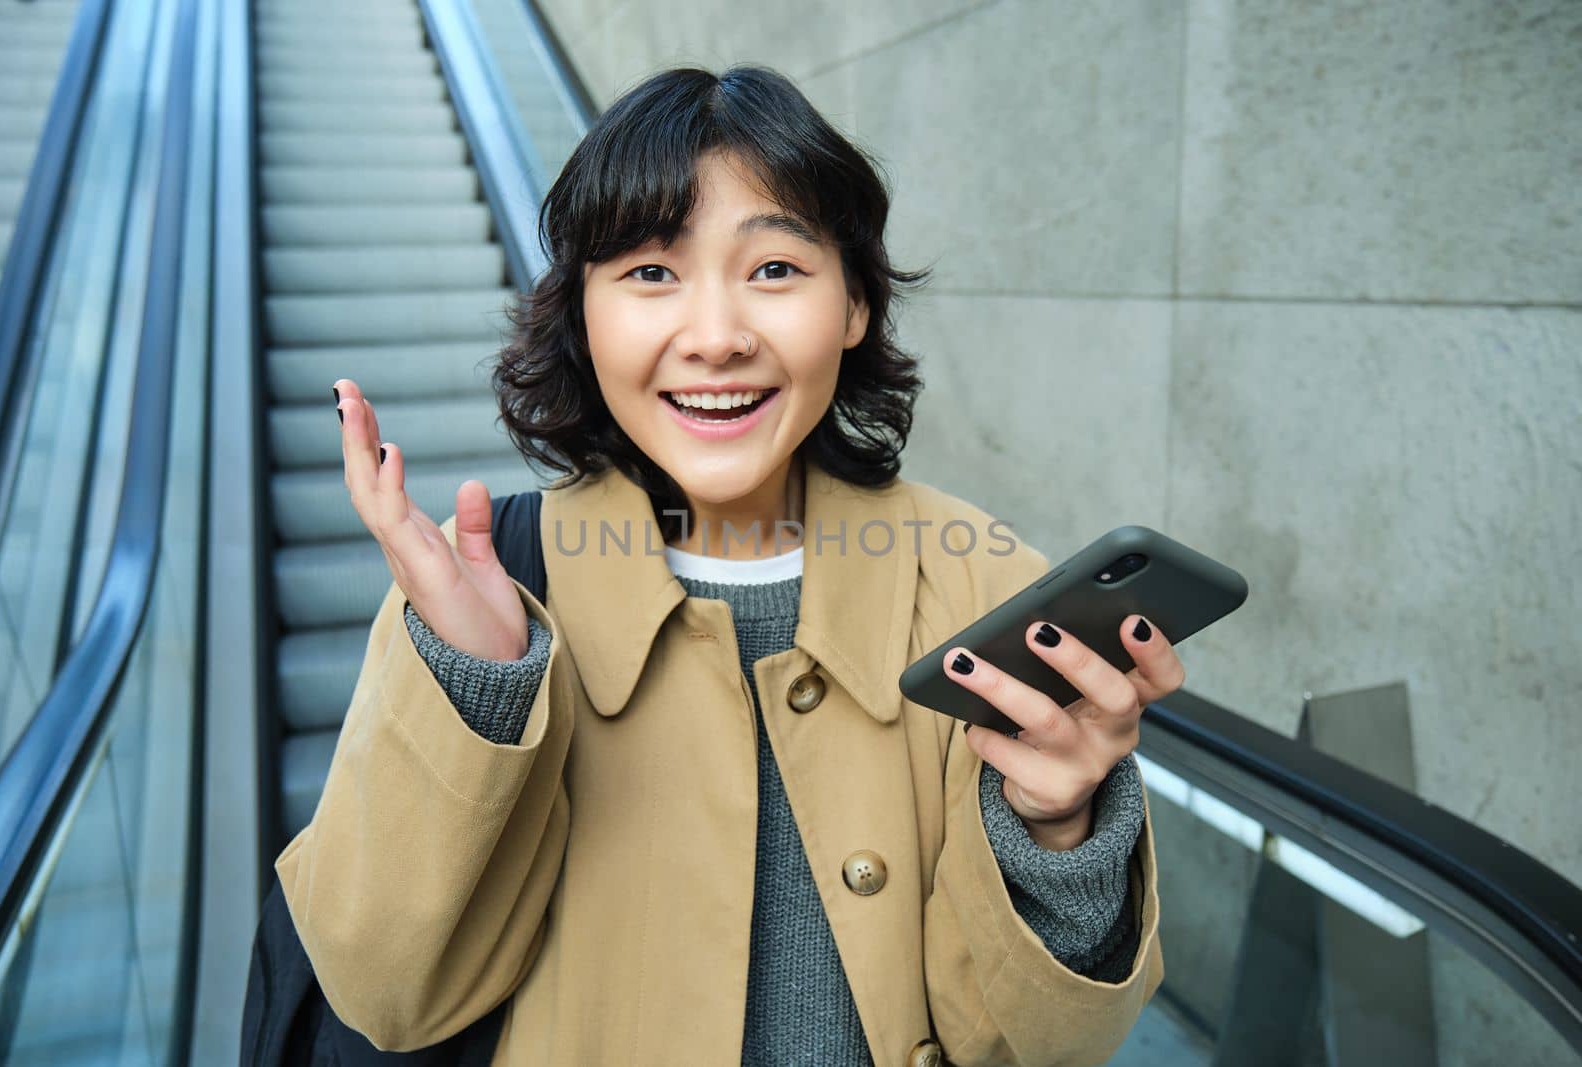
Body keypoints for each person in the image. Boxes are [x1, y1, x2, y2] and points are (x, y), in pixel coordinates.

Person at [293, 65, 1179, 1066]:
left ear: (853, 306)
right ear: (582, 312)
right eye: (649, 273)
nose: (715, 339)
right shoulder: (484, 585)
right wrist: (480, 687)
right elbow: (387, 995)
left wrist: (1055, 825)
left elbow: (1031, 1047)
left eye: (774, 271)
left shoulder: (984, 587)